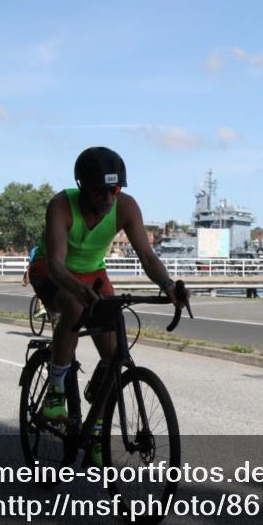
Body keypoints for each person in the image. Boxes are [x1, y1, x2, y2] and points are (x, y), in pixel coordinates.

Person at [29, 147, 188, 438]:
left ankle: (98, 432)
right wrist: (78, 289)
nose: (108, 199)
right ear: (82, 187)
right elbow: (55, 265)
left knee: (114, 354)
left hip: (93, 273)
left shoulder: (126, 207)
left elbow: (148, 257)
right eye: (100, 191)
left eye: (114, 190)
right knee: (74, 307)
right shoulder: (61, 205)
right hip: (52, 270)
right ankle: (55, 391)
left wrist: (168, 286)